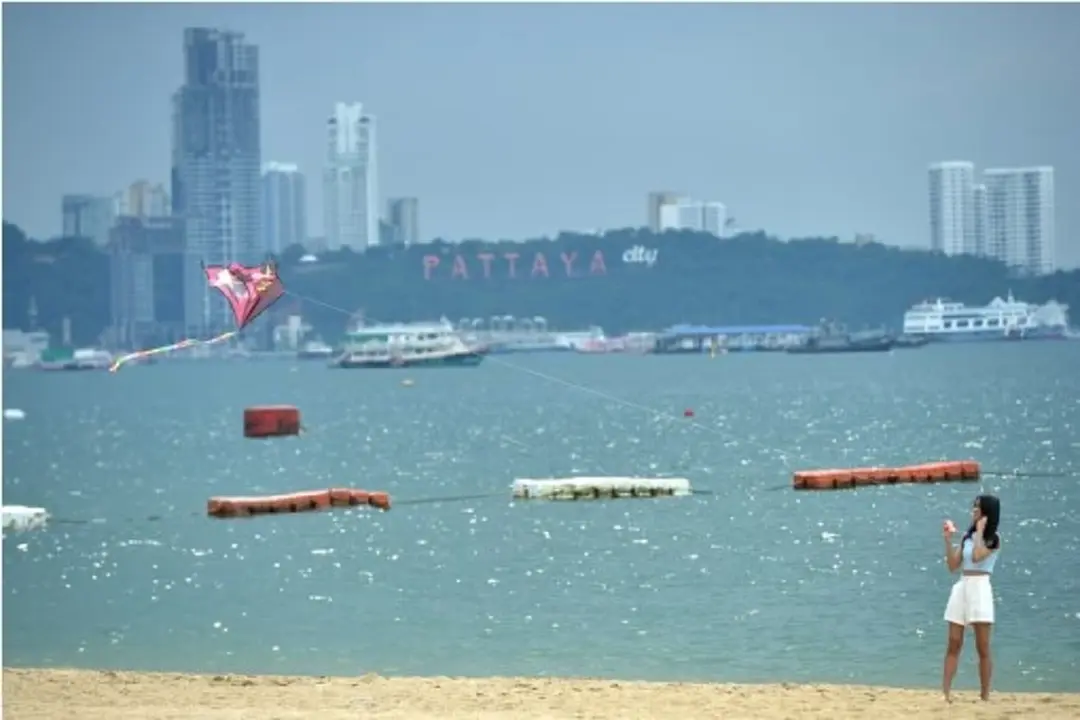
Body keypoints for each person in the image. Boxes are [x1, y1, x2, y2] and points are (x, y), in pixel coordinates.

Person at [942, 494, 1002, 702]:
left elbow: (977, 556)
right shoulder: (967, 537)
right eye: (974, 507)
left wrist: (979, 531)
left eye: (977, 508)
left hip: (981, 587)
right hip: (963, 586)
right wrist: (948, 541)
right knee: (953, 641)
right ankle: (946, 693)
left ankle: (984, 694)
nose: (973, 511)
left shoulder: (993, 539)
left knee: (982, 645)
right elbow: (952, 566)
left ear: (986, 512)